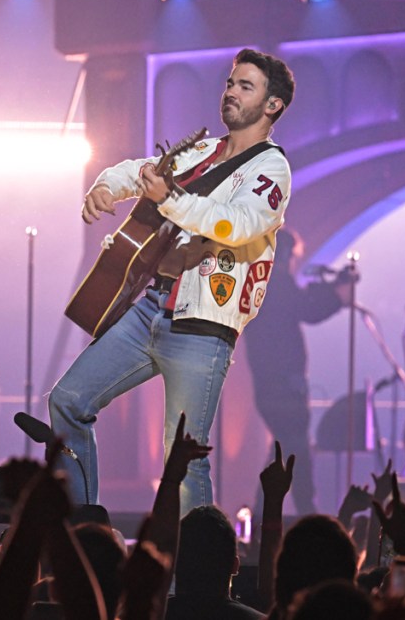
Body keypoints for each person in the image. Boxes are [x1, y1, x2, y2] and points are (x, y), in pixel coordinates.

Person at [49, 48, 296, 513]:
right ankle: (85, 533)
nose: (230, 92)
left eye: (246, 86)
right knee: (68, 400)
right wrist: (106, 185)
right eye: (230, 82)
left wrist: (170, 200)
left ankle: (195, 579)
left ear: (272, 105)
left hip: (203, 326)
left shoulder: (271, 170)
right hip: (151, 309)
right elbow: (138, 170)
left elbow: (234, 224)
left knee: (183, 458)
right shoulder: (203, 150)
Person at [243, 227, 352, 515]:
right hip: (284, 385)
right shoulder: (276, 282)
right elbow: (307, 309)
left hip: (270, 384)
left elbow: (301, 304)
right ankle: (307, 515)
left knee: (282, 450)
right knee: (297, 450)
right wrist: (337, 296)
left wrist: (330, 292)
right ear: (287, 254)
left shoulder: (259, 282)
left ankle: (261, 520)